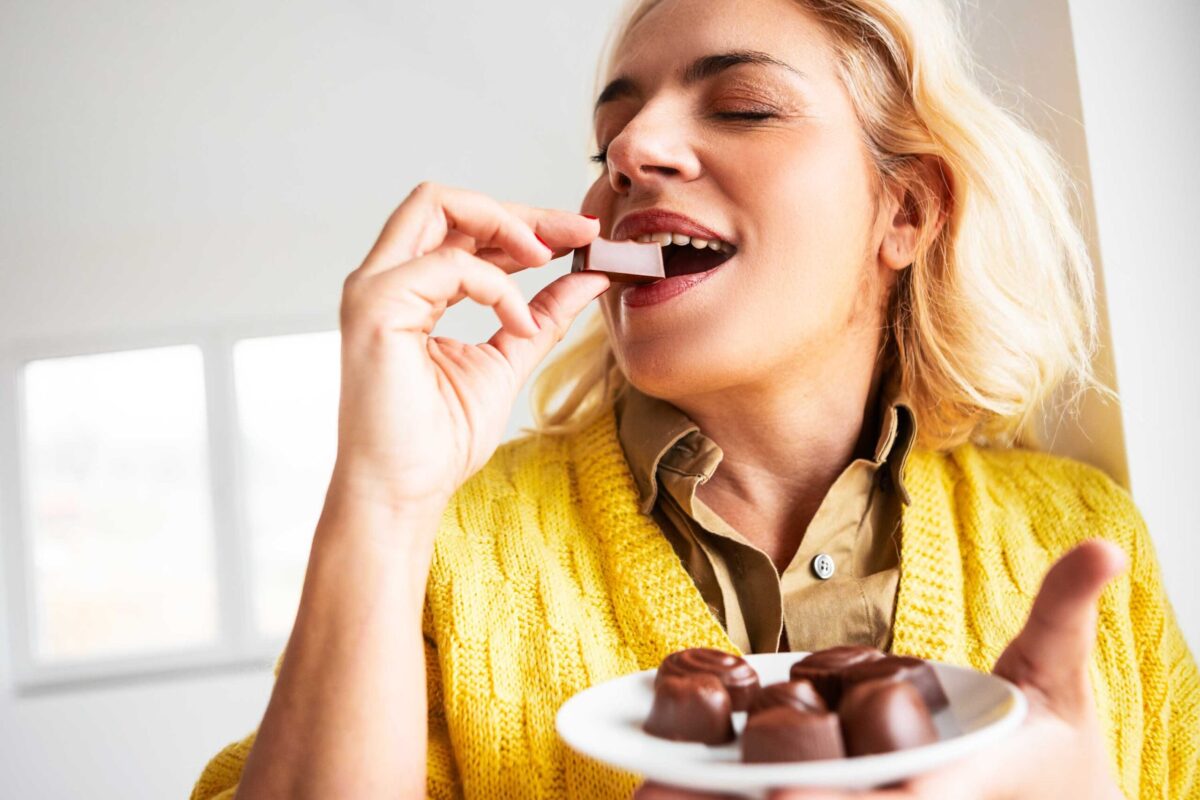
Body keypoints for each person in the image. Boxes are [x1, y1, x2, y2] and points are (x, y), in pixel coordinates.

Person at [191, 0, 1199, 797]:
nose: (632, 151)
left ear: (906, 208)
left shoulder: (1079, 531)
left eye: (743, 105)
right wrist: (382, 493)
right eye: (609, 138)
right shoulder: (447, 543)